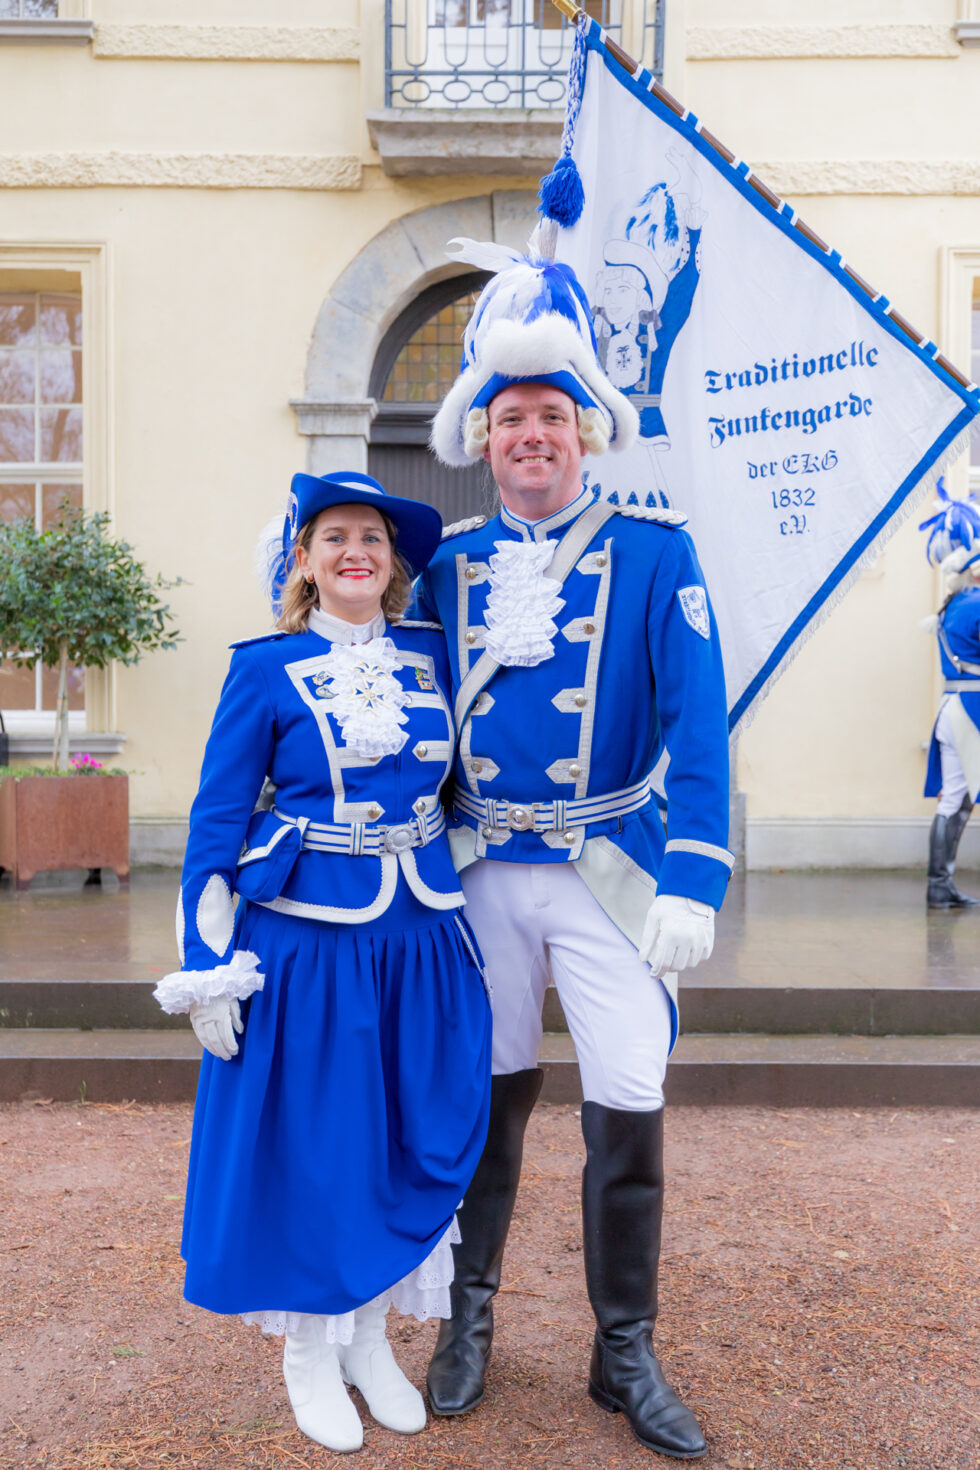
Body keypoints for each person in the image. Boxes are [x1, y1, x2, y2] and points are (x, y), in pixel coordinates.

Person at [416, 231, 732, 1459]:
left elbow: (695, 724)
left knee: (627, 1102)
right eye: (509, 421)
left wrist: (693, 875)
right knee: (480, 1104)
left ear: (583, 429)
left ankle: (623, 1351)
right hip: (481, 874)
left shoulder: (655, 554)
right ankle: (467, 1320)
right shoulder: (442, 567)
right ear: (482, 441)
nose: (530, 436)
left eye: (551, 414)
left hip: (607, 874)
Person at [153, 471, 492, 1453]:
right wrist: (207, 962)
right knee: (316, 1144)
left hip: (418, 937)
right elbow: (217, 821)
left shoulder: (431, 654)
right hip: (306, 944)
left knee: (397, 1134)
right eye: (334, 537)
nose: (356, 553)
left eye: (372, 540)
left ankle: (367, 1340)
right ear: (301, 560)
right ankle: (309, 1347)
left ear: (392, 565)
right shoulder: (262, 668)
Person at [920, 480, 980, 908]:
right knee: (957, 801)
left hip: (953, 709)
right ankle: (939, 885)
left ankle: (941, 885)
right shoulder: (973, 605)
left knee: (956, 800)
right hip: (968, 710)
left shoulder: (954, 604)